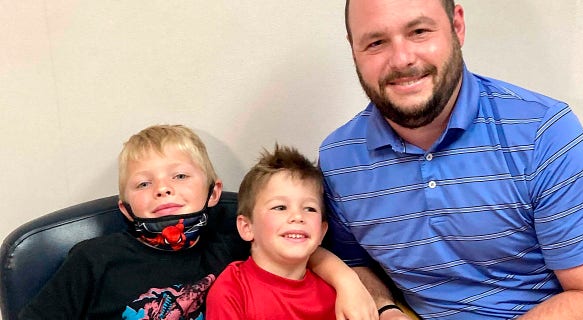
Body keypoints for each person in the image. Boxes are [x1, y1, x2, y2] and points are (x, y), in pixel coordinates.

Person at [319, 0, 583, 319]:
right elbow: (351, 263)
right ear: (354, 49)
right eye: (376, 42)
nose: (401, 59)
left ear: (457, 26)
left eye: (418, 31)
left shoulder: (543, 132)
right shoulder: (339, 159)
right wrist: (385, 308)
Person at [20, 124, 376, 320]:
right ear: (126, 209)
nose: (163, 189)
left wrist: (348, 282)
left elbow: (295, 246)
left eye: (179, 176)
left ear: (214, 192)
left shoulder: (231, 245)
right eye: (144, 183)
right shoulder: (93, 260)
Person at [206, 144, 336, 319]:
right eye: (280, 207)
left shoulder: (334, 293)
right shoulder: (232, 291)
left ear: (321, 231)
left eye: (310, 209)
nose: (297, 216)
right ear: (247, 227)